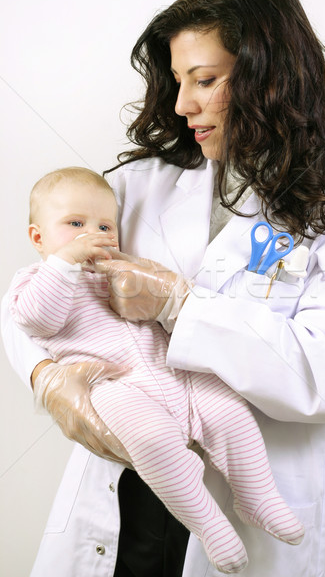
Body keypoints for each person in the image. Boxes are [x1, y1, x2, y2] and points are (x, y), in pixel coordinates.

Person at [0, 0, 325, 576]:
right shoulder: (137, 186)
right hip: (125, 491)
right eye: (179, 80)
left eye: (205, 80)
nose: (183, 104)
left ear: (272, 77)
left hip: (244, 505)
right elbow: (37, 290)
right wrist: (44, 374)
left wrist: (182, 307)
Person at [8, 166, 305, 574]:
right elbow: (35, 321)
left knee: (227, 410)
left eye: (104, 225)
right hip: (113, 382)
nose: (92, 234)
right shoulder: (36, 279)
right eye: (75, 224)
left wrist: (171, 295)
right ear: (38, 238)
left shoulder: (114, 265)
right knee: (151, 441)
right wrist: (64, 266)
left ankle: (258, 496)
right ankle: (209, 523)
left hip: (172, 365)